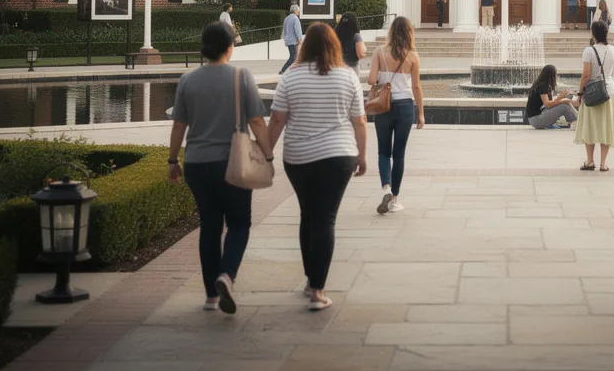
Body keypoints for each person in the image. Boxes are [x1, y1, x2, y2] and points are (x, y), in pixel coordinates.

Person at [168, 22, 273, 314]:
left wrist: (172, 160)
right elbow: (255, 121)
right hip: (233, 163)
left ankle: (210, 297)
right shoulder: (242, 76)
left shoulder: (187, 80)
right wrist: (268, 156)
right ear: (230, 47)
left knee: (210, 226)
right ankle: (226, 275)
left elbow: (179, 125)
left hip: (198, 164)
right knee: (239, 223)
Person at [268, 22, 367, 311]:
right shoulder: (347, 77)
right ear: (334, 45)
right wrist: (362, 156)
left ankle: (312, 281)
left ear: (305, 46)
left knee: (308, 215)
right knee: (326, 218)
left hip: (299, 157)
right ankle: (318, 291)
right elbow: (359, 121)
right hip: (338, 156)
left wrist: (265, 153)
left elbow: (276, 121)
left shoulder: (290, 77)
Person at [367, 16, 424, 214]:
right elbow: (416, 87)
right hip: (405, 107)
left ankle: (386, 187)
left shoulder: (379, 52)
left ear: (391, 31)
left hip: (383, 107)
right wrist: (421, 114)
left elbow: (371, 79)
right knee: (399, 154)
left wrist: (380, 75)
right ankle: (394, 200)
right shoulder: (413, 56)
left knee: (384, 151)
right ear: (409, 32)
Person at [575, 21, 614, 170]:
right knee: (607, 126)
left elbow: (586, 74)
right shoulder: (613, 50)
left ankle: (590, 161)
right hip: (610, 91)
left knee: (590, 126)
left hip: (593, 91)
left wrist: (579, 93)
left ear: (593, 33)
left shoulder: (589, 51)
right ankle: (603, 163)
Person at [525, 64, 577, 129]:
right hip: (537, 120)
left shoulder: (542, 84)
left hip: (539, 116)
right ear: (551, 75)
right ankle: (575, 123)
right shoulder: (542, 86)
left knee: (565, 101)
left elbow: (550, 103)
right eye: (555, 74)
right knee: (564, 107)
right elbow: (548, 104)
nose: (556, 76)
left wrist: (564, 99)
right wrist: (560, 97)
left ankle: (576, 120)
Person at [279, 4, 303, 74]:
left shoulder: (287, 18)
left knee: (294, 56)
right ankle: (283, 70)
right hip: (294, 41)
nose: (298, 12)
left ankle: (293, 71)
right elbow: (297, 30)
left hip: (288, 40)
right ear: (295, 11)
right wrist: (299, 39)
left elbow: (285, 30)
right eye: (298, 11)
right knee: (293, 57)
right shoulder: (295, 18)